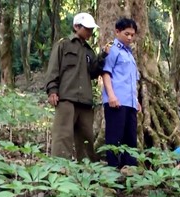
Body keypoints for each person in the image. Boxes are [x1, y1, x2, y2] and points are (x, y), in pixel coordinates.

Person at [45, 12, 107, 161]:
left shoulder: (89, 51)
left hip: (85, 100)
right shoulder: (63, 44)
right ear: (76, 27)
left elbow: (93, 72)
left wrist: (102, 56)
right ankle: (59, 168)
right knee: (63, 135)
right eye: (87, 29)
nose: (90, 32)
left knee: (86, 136)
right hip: (66, 97)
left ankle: (87, 168)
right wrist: (52, 90)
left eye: (92, 29)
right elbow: (53, 68)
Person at [101, 17, 141, 168]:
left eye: (132, 34)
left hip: (129, 102)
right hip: (116, 101)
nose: (130, 37)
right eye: (126, 34)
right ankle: (112, 170)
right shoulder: (112, 49)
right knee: (114, 137)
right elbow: (106, 73)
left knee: (130, 137)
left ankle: (129, 169)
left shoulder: (129, 54)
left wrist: (135, 100)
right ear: (117, 32)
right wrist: (111, 95)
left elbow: (131, 79)